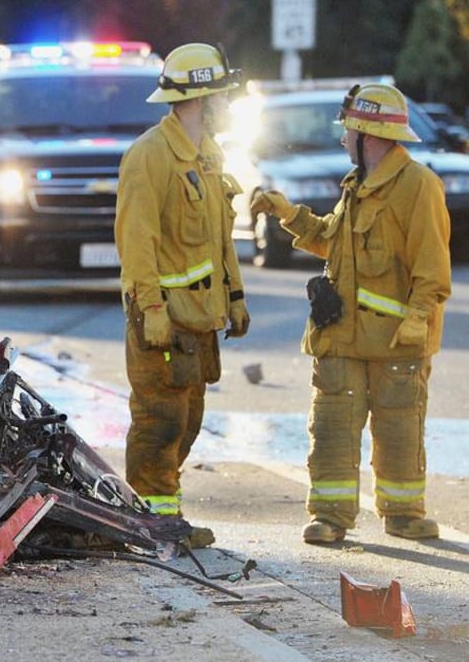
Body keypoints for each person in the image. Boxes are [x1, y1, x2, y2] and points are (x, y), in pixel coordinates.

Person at [251, 83, 451, 544]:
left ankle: (403, 513)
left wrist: (418, 316)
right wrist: (289, 215)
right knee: (332, 428)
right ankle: (330, 517)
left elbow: (432, 268)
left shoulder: (418, 187)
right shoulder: (356, 187)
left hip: (395, 341)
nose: (342, 139)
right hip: (341, 336)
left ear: (369, 135)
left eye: (349, 131)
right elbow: (332, 243)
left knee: (399, 428)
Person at [114, 43, 250, 549]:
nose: (227, 105)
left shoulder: (207, 157)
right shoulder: (150, 156)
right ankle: (151, 525)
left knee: (188, 422)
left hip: (198, 321)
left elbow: (220, 238)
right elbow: (137, 242)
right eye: (222, 96)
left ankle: (159, 517)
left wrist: (234, 296)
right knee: (159, 423)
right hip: (163, 321)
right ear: (201, 99)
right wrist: (150, 308)